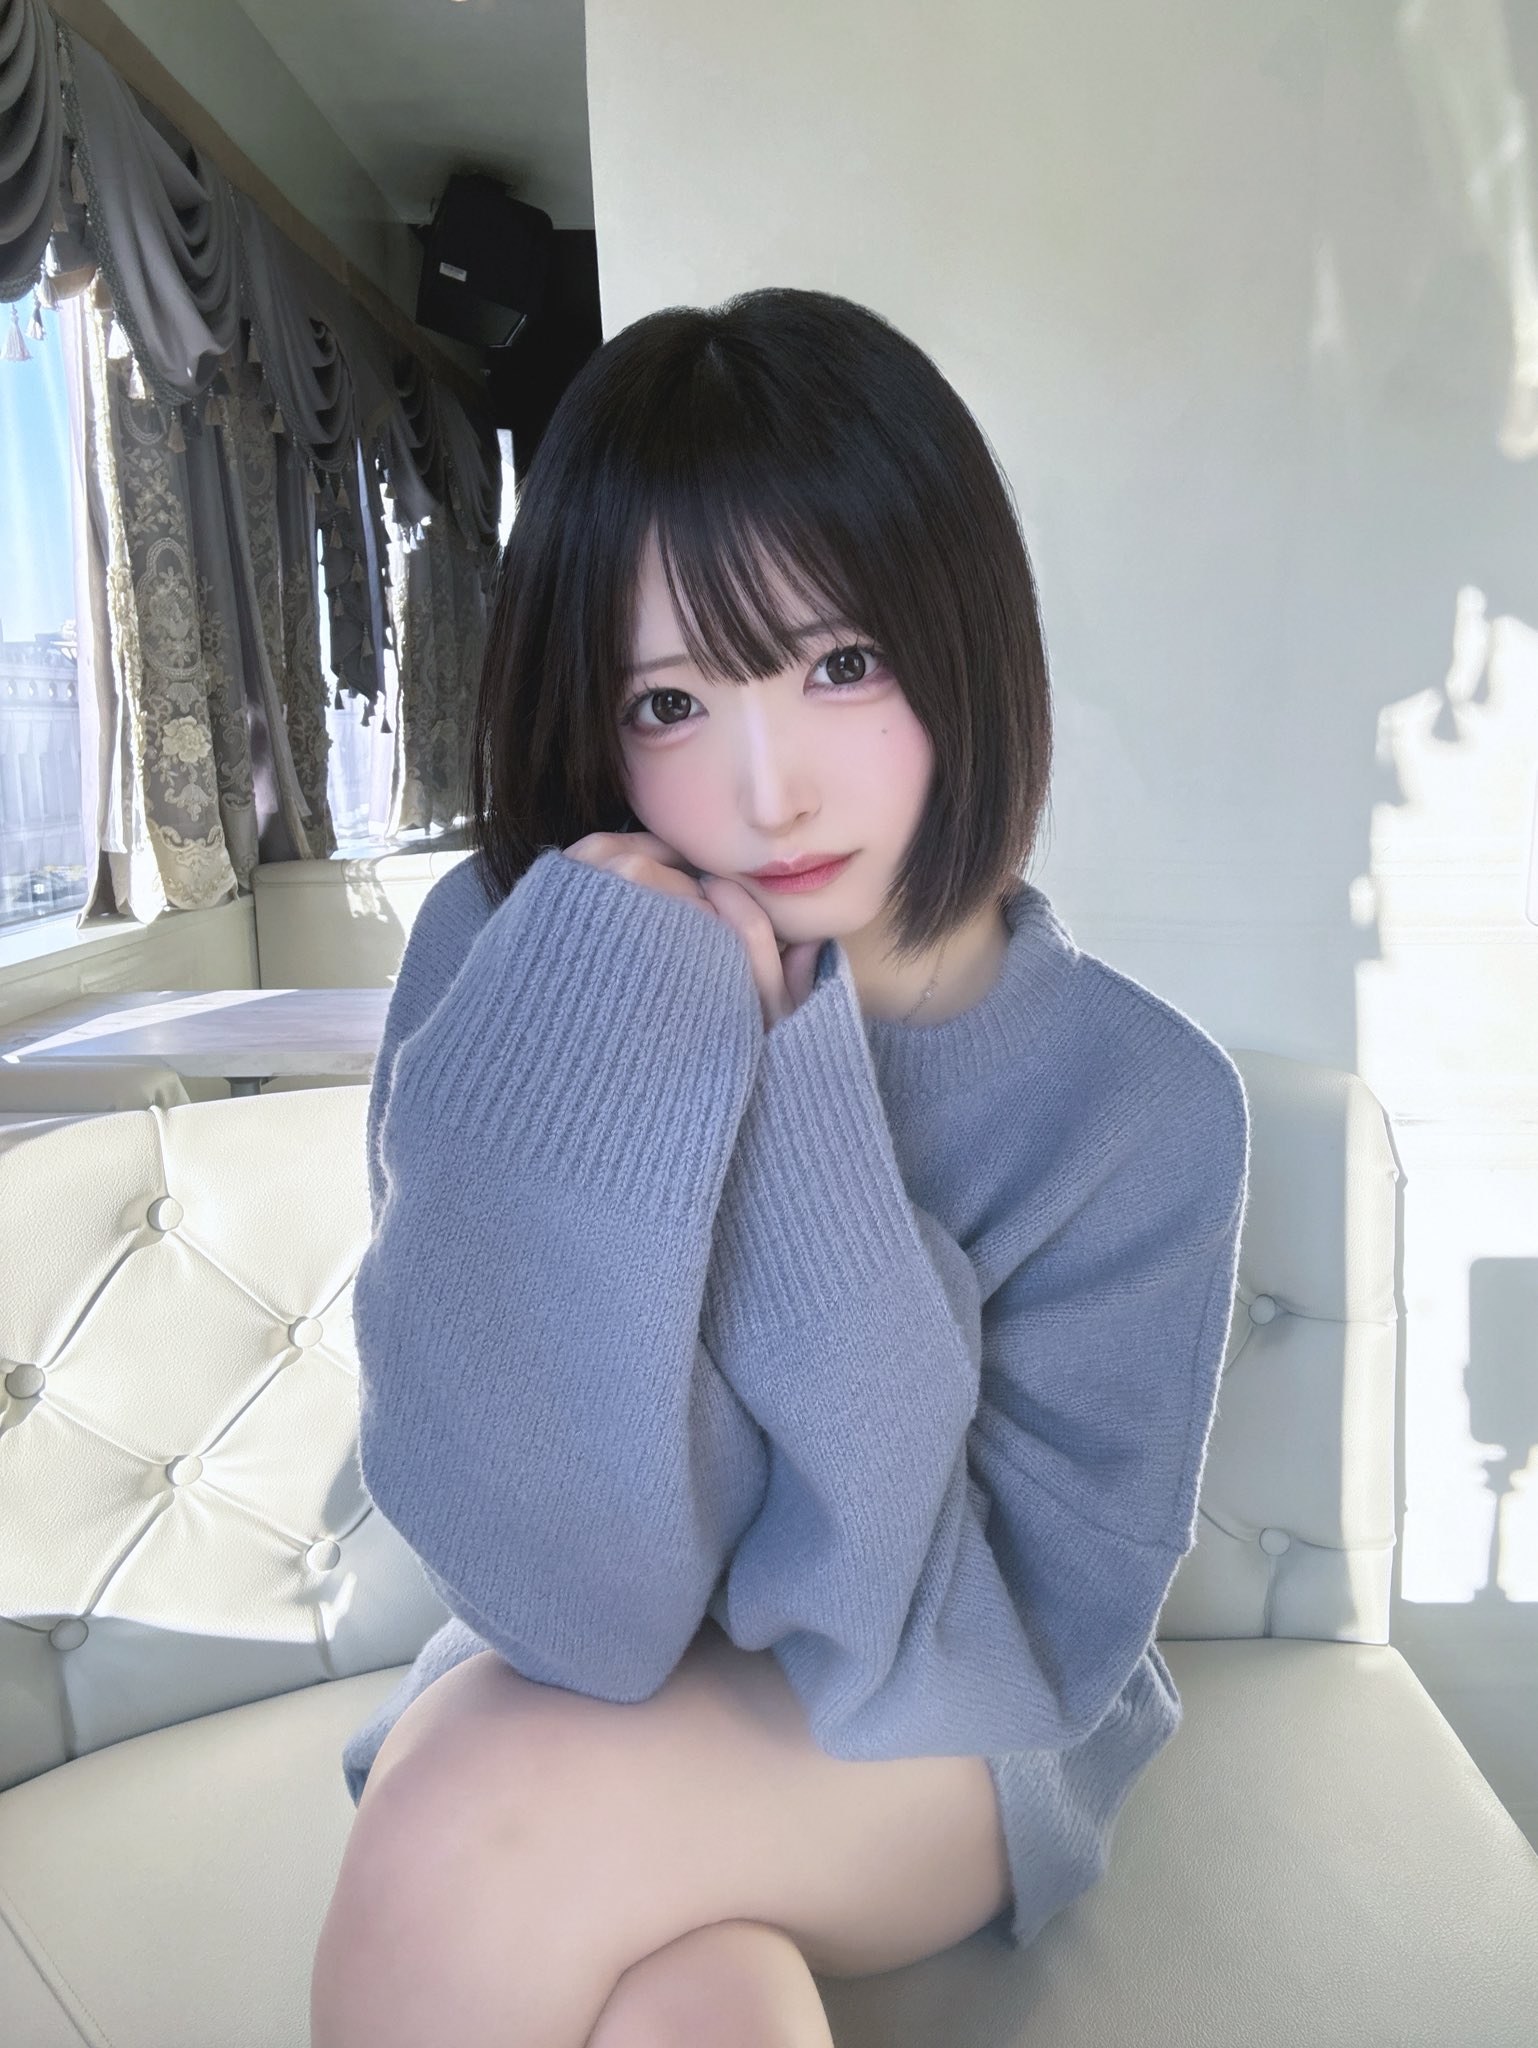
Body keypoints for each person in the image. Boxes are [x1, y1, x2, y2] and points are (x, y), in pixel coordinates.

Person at [310, 287, 1250, 2048]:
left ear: (964, 637)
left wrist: (782, 1098)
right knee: (699, 2007)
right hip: (581, 1683)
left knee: (469, 1831)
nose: (768, 792)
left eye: (839, 665)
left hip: (958, 1727)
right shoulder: (524, 957)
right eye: (668, 702)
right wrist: (623, 1033)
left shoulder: (1143, 1104)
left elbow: (968, 1641)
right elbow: (571, 1605)